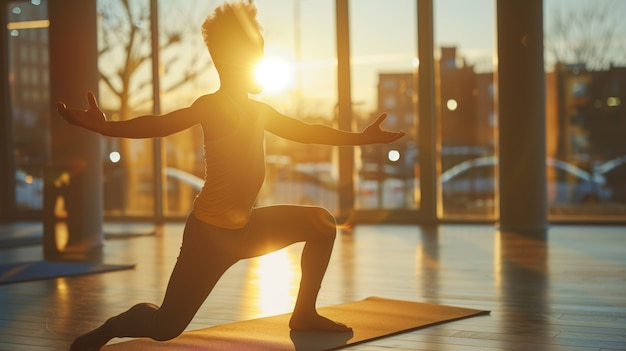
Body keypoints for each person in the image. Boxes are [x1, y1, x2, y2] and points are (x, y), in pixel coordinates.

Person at [58, 2, 404, 350]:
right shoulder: (213, 106)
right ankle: (106, 330)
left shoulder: (260, 112)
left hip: (247, 229)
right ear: (234, 62)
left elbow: (309, 131)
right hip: (209, 237)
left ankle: (304, 314)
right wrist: (104, 128)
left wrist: (361, 138)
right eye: (257, 54)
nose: (262, 60)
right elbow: (159, 125)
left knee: (321, 223)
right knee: (165, 326)